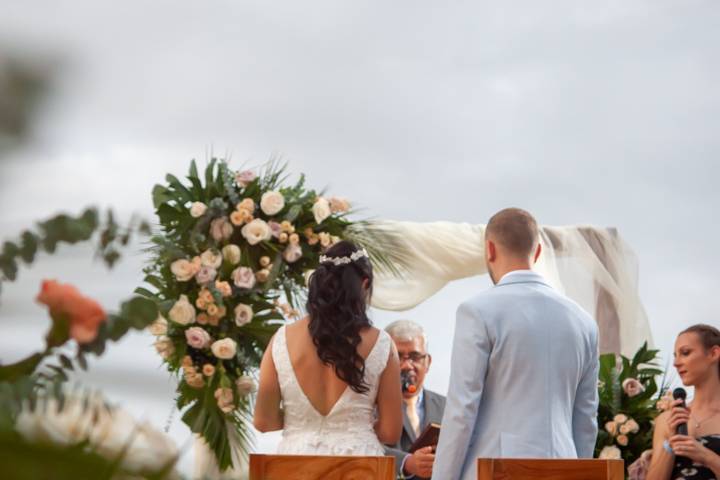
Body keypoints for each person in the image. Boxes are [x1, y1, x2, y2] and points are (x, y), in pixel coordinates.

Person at [432, 208, 600, 480]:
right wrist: (576, 472)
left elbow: (462, 410)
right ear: (537, 252)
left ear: (489, 249)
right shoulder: (583, 322)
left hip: (497, 469)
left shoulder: (477, 311)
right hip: (564, 467)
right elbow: (586, 419)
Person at [253, 241, 402, 455]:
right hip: (358, 464)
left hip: (295, 464)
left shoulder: (281, 340)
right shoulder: (382, 343)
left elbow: (263, 421)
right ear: (365, 283)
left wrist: (301, 423)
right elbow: (390, 432)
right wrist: (360, 428)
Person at [647, 324, 720, 480]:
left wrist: (707, 457)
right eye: (675, 355)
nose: (676, 363)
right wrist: (669, 443)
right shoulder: (668, 419)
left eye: (685, 353)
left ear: (714, 353)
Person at [384, 320, 446, 479]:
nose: (406, 365)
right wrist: (406, 463)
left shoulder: (448, 406)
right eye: (397, 357)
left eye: (415, 356)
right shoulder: (368, 406)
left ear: (428, 362)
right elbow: (365, 448)